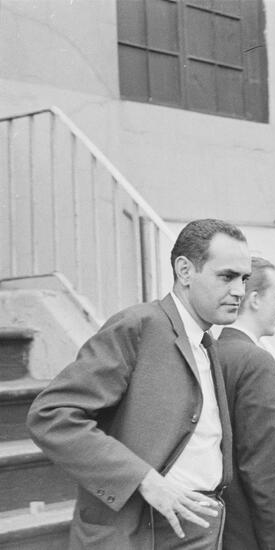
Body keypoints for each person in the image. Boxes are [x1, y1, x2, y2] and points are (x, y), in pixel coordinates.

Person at [27, 219, 251, 549]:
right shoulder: (139, 326)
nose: (240, 291)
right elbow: (51, 415)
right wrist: (144, 480)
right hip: (142, 532)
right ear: (185, 271)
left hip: (199, 526)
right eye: (227, 276)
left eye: (244, 278)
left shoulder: (206, 343)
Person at [216, 256, 275, 550]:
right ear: (254, 299)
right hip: (256, 536)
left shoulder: (215, 353)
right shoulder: (255, 361)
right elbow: (264, 469)